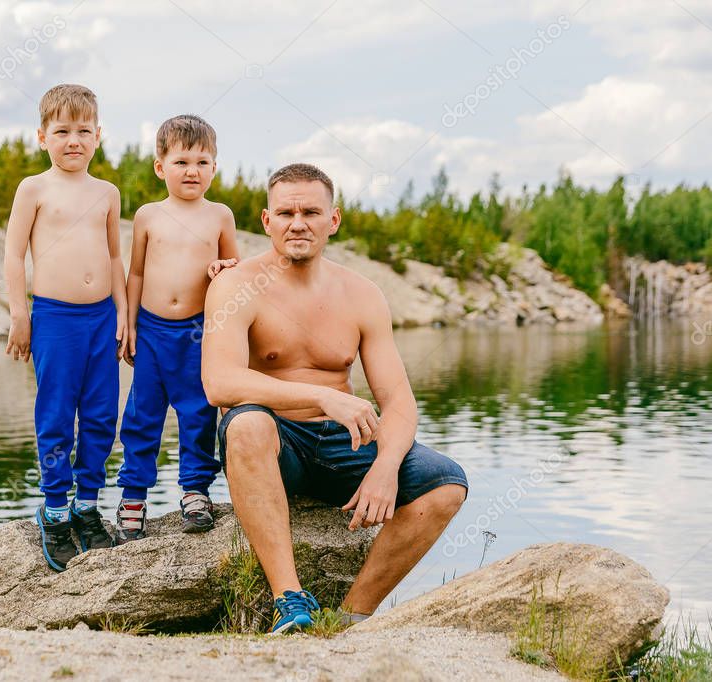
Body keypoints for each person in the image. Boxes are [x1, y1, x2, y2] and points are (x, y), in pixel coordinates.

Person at [201, 163, 468, 633]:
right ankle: (291, 601)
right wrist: (322, 398)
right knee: (244, 425)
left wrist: (385, 467)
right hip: (275, 444)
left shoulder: (362, 294)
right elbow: (219, 383)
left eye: (310, 211)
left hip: (345, 443)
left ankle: (351, 616)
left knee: (446, 483)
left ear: (333, 220)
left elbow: (400, 402)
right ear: (266, 222)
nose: (297, 222)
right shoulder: (237, 284)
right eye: (285, 212)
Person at [3, 84, 128, 572]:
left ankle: (87, 506)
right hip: (54, 318)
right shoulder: (34, 188)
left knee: (100, 416)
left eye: (83, 130)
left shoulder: (107, 193)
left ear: (98, 136)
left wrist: (123, 313)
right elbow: (14, 254)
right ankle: (54, 511)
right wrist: (19, 312)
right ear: (42, 137)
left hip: (101, 319)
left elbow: (116, 256)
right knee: (56, 416)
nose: (73, 140)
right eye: (62, 131)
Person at [114, 114, 240, 543]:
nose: (192, 171)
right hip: (150, 330)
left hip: (196, 332)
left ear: (214, 169)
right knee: (142, 413)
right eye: (182, 161)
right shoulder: (148, 215)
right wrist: (128, 323)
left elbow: (233, 270)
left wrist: (224, 268)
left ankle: (195, 492)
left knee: (197, 411)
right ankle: (133, 497)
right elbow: (134, 274)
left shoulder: (220, 215)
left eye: (203, 162)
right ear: (160, 166)